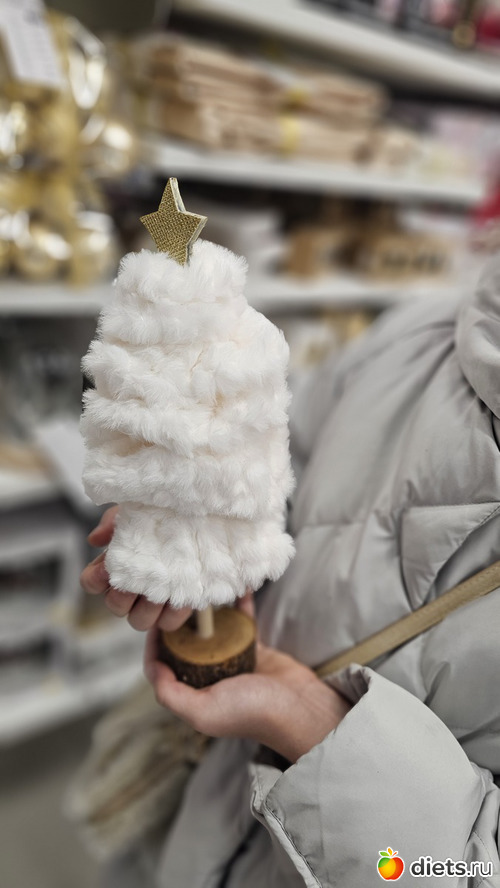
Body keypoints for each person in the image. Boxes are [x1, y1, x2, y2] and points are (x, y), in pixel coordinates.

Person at [81, 258, 500, 886]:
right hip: (205, 813)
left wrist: (314, 726)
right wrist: (220, 532)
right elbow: (287, 455)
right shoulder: (425, 333)